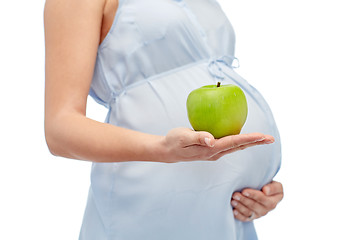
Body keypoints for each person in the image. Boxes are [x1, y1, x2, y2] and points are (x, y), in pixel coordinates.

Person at [43, 0, 283, 239]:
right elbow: (60, 128)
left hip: (227, 217)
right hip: (148, 208)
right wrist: (163, 148)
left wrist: (255, 193)